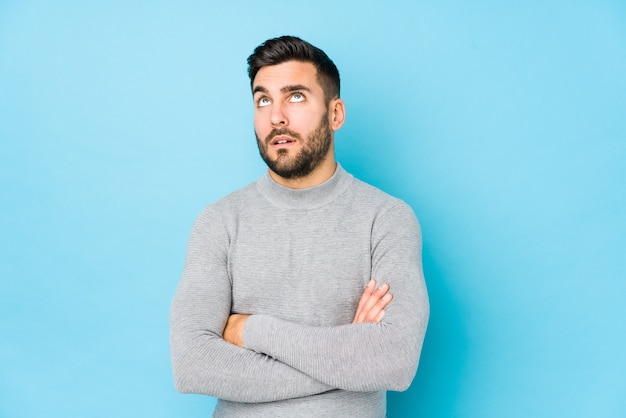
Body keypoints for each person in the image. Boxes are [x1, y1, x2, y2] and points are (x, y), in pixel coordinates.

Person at [170, 35, 429, 418]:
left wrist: (252, 331)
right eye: (263, 100)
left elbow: (394, 360)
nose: (276, 116)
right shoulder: (219, 222)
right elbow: (191, 365)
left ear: (335, 114)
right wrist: (349, 358)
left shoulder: (387, 219)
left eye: (295, 96)